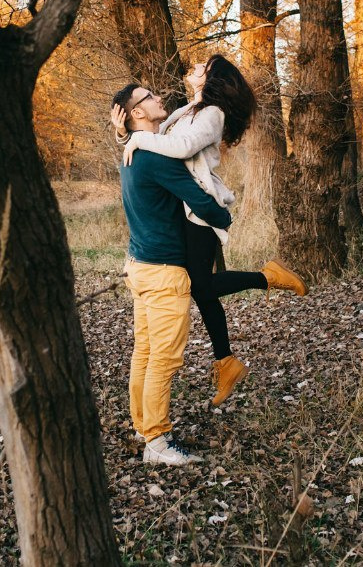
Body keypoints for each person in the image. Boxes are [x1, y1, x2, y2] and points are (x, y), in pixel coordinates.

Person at [112, 55, 308, 409]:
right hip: (186, 211)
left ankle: (267, 277)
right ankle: (226, 361)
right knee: (202, 289)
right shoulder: (190, 109)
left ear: (212, 77)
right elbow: (155, 136)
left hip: (200, 210)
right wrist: (128, 134)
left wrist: (136, 141)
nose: (195, 66)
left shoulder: (212, 113)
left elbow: (179, 148)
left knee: (199, 286)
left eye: (202, 65)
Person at [112, 82, 233, 466]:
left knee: (145, 353)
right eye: (148, 97)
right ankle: (158, 442)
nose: (158, 98)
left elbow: (170, 134)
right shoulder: (155, 157)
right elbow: (201, 200)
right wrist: (225, 216)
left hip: (139, 267)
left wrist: (123, 134)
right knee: (163, 358)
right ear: (137, 113)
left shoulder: (134, 152)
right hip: (164, 272)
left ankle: (143, 426)